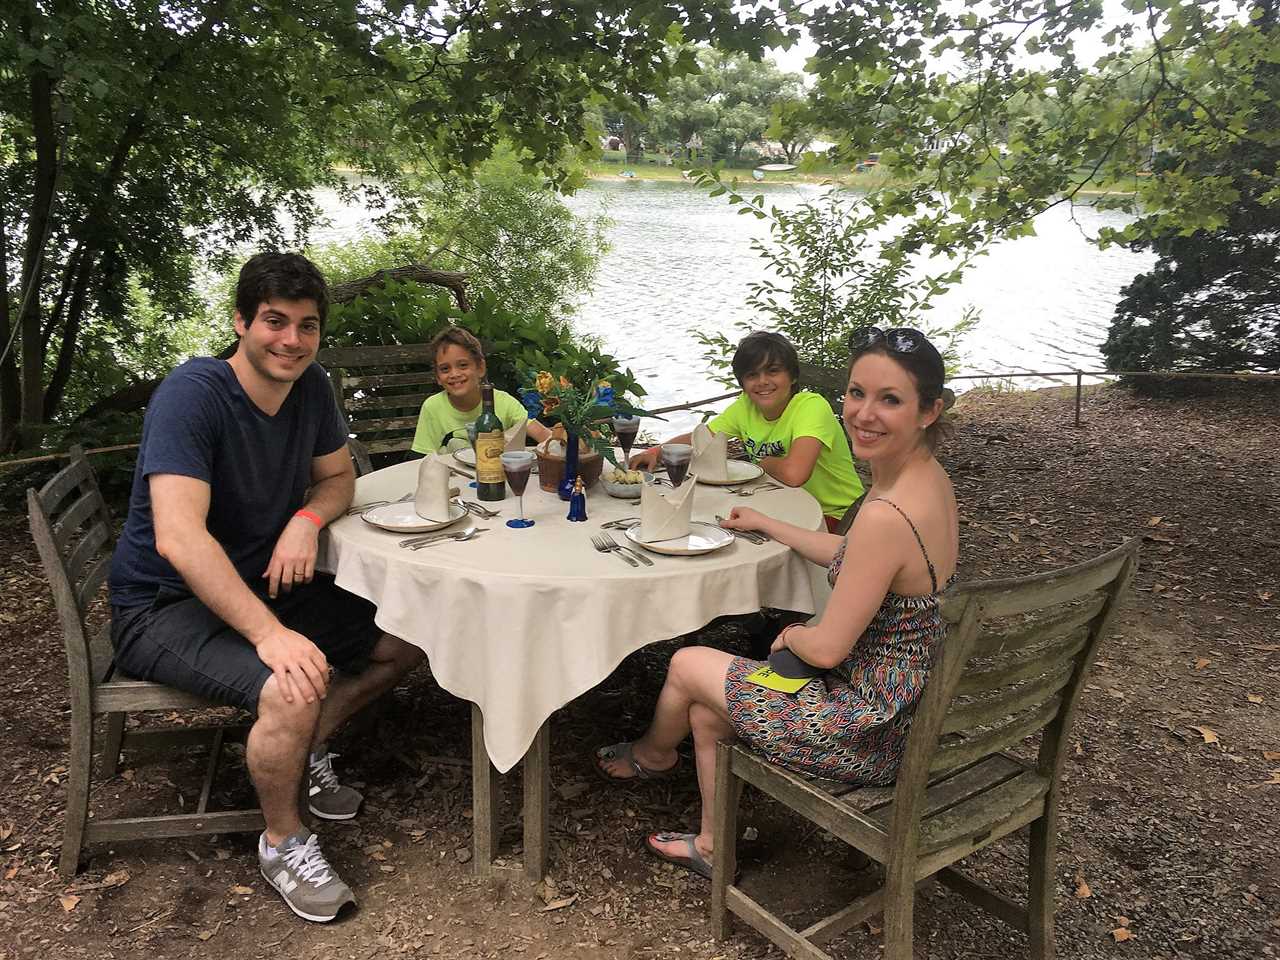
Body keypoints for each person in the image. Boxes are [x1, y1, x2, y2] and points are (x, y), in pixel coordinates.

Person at [108, 252, 426, 922]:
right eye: (274, 322)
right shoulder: (192, 395)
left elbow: (340, 479)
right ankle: (283, 841)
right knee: (291, 685)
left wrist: (305, 521)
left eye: (306, 326)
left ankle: (305, 749)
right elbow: (180, 538)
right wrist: (271, 635)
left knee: (409, 635)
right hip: (164, 606)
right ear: (241, 322)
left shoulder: (309, 388)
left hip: (261, 581)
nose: (291, 340)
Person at [597, 327, 959, 881]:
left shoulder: (887, 515)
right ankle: (714, 843)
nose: (864, 413)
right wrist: (770, 522)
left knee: (688, 663)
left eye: (890, 399)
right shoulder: (927, 483)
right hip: (902, 700)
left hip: (865, 725)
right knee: (703, 710)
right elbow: (859, 555)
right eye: (857, 392)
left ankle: (652, 756)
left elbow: (827, 646)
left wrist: (790, 637)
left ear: (929, 410)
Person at [630, 331, 863, 532]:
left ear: (792, 377)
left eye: (772, 371)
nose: (762, 381)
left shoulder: (810, 406)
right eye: (752, 375)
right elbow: (702, 438)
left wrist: (764, 464)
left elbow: (794, 474)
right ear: (742, 382)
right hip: (780, 506)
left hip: (835, 517)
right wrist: (657, 451)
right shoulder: (746, 406)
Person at [410, 326, 550, 455]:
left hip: (496, 478)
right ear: (438, 377)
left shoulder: (503, 402)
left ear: (480, 368)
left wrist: (560, 437)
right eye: (445, 369)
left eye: (463, 365)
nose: (454, 374)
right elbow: (422, 459)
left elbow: (541, 433)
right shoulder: (432, 407)